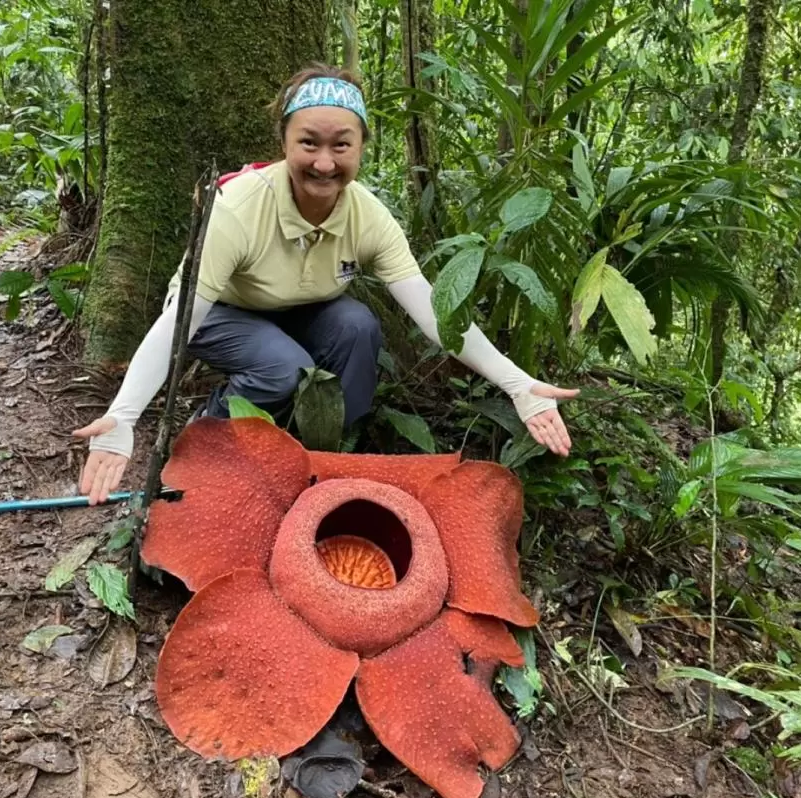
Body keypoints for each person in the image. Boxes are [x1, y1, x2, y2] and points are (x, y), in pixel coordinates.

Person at [74, 64, 579, 505]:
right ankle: (208, 438)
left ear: (361, 148)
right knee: (284, 368)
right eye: (308, 143)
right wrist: (124, 416)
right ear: (284, 142)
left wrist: (517, 384)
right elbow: (177, 325)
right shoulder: (239, 208)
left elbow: (432, 313)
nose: (324, 162)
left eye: (342, 145)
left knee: (358, 326)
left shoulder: (369, 218)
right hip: (220, 313)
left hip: (303, 310)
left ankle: (324, 454)